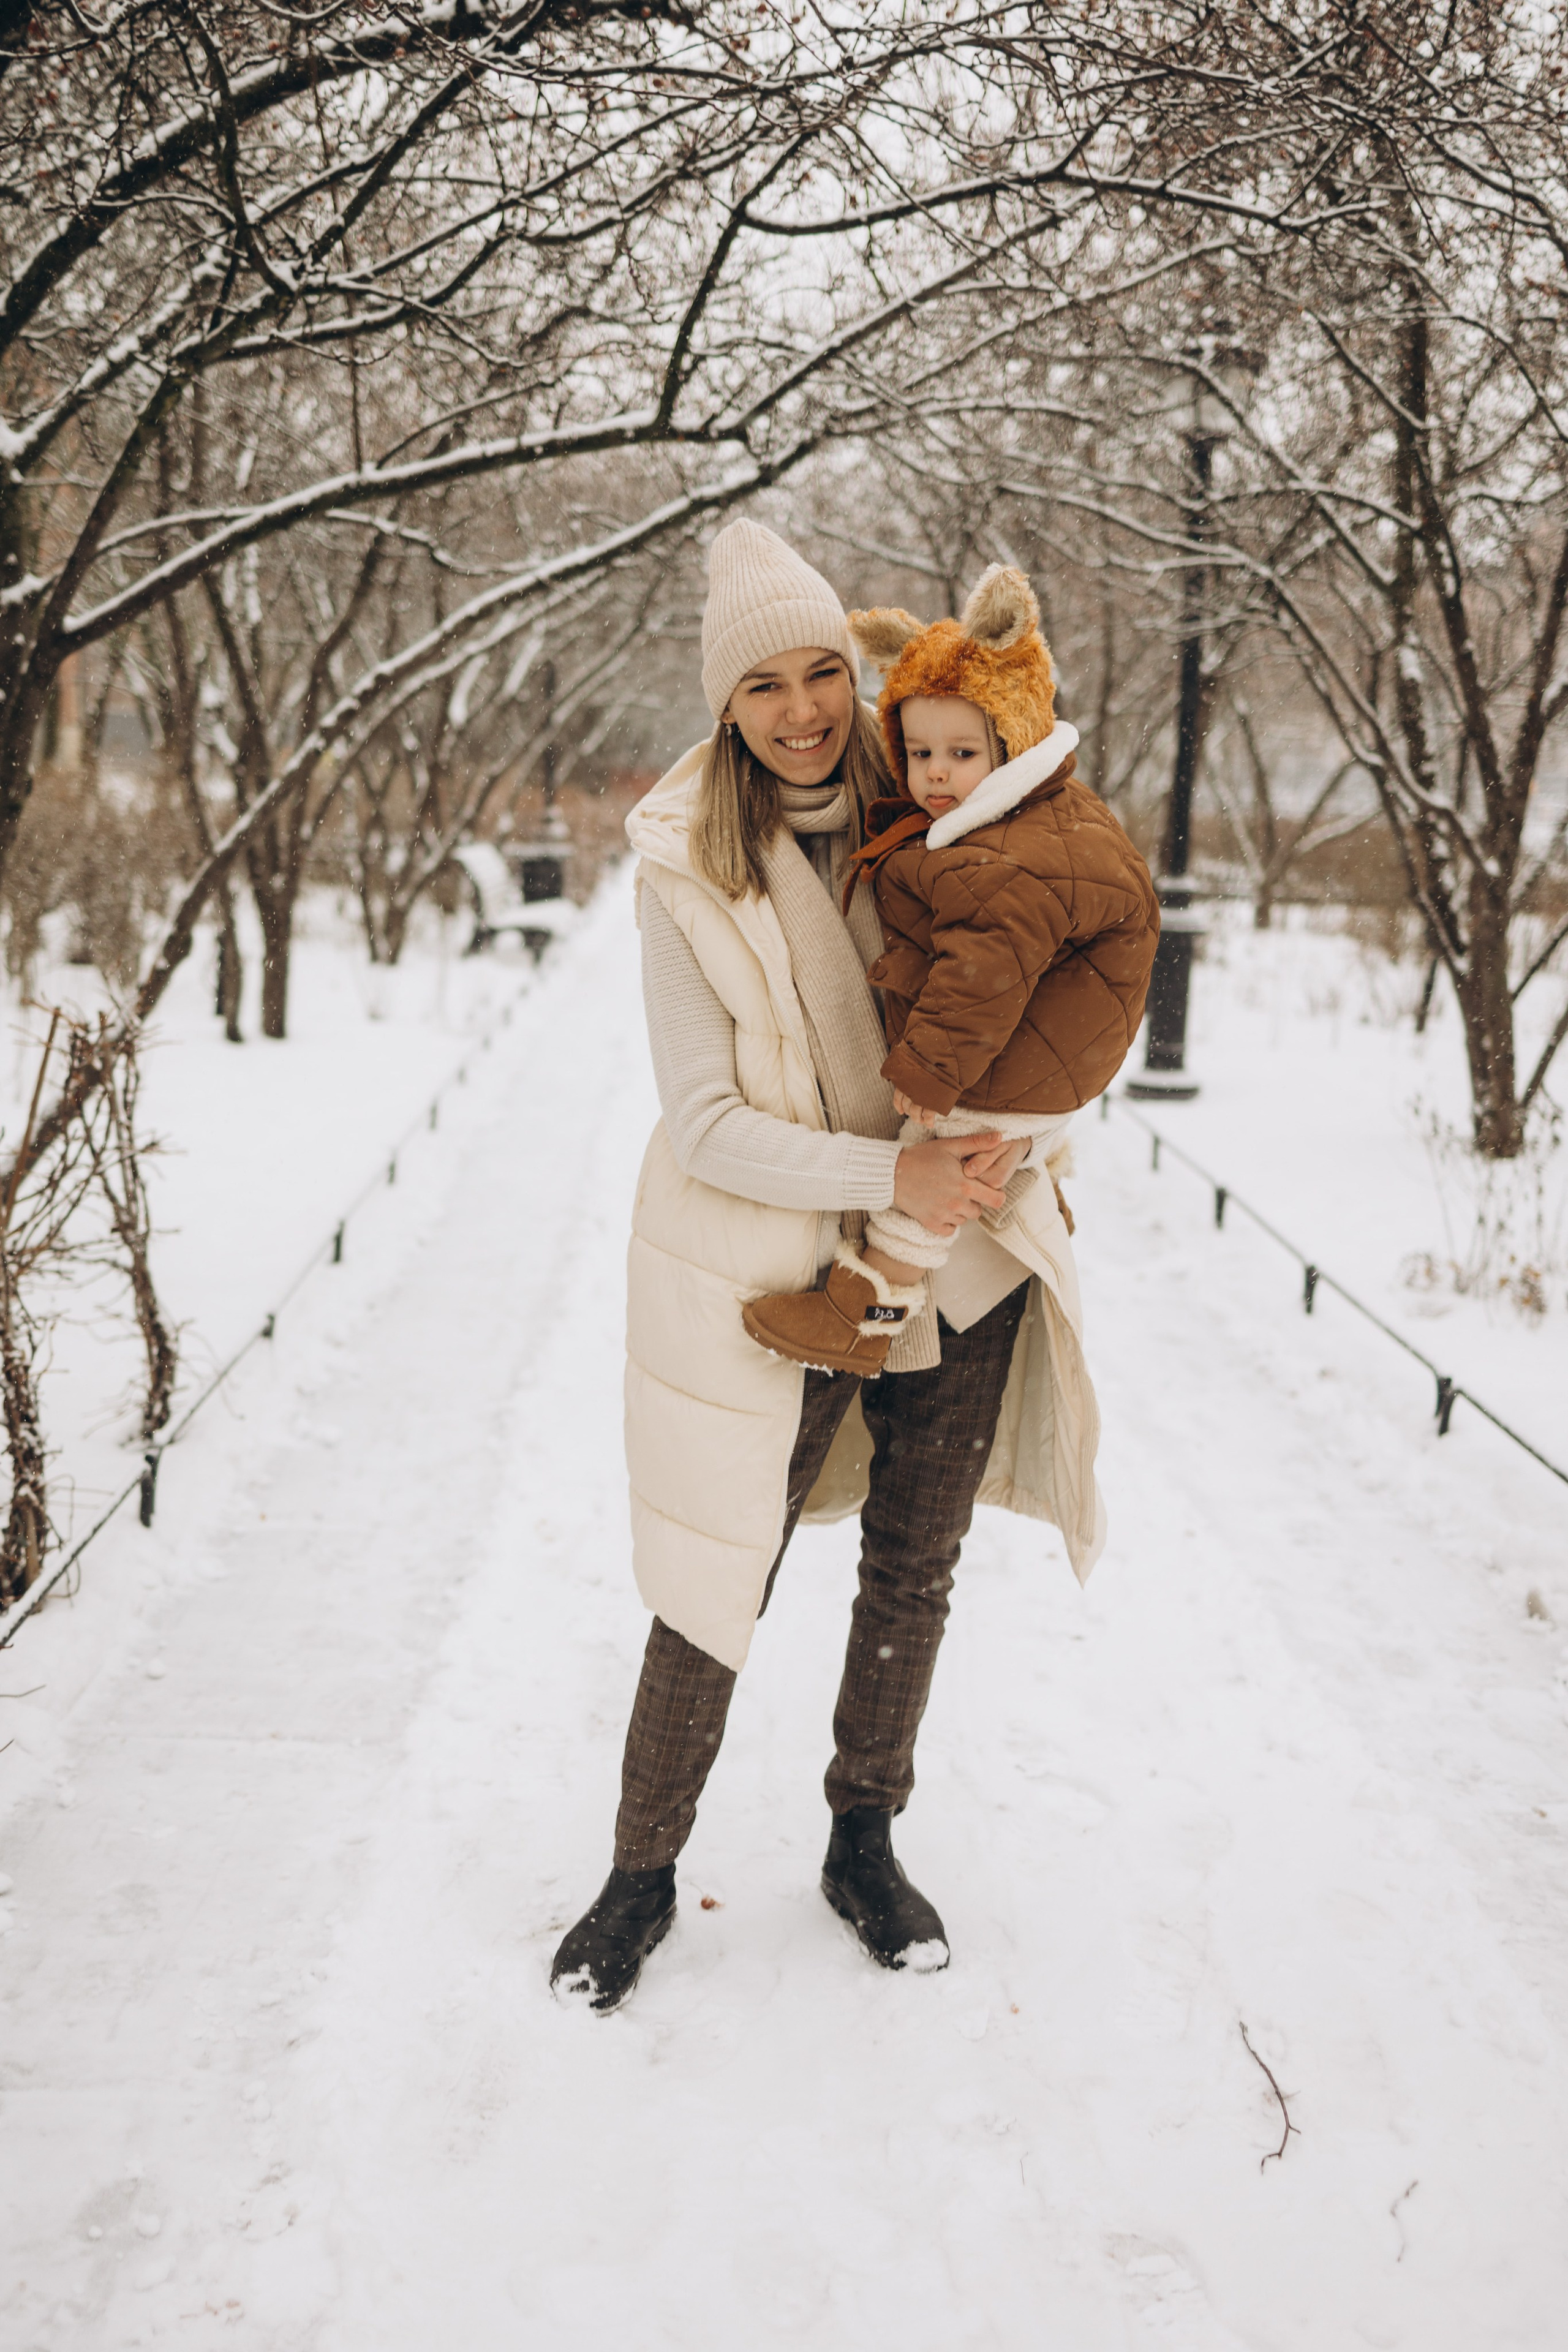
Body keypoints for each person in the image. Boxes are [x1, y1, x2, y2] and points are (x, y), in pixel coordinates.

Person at [551, 521, 1114, 2015]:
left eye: (820, 674)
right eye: (762, 686)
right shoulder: (684, 866)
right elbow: (703, 1121)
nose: (802, 709)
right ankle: (639, 1870)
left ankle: (863, 1835)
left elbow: (1072, 963)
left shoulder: (951, 790)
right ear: (721, 707)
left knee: (912, 1568)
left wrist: (1012, 1136)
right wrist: (890, 1172)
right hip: (783, 1270)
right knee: (715, 1569)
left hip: (964, 1261)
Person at [742, 564, 1159, 1376]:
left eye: (962, 752)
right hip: (1066, 1047)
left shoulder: (1001, 860)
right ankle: (1036, 1186)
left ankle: (862, 1312)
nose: (935, 774)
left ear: (1013, 740)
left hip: (1025, 1062)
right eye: (919, 751)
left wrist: (932, 1071)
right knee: (998, 1145)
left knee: (940, 1158)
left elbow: (982, 974)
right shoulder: (1035, 814)